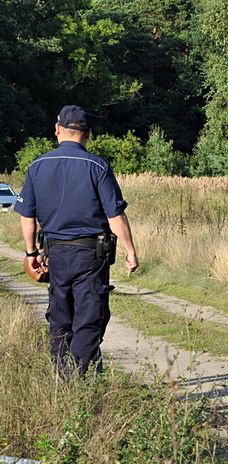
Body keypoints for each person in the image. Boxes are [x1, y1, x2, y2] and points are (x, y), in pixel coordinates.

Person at [14, 105, 138, 376]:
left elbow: (27, 216)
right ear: (88, 134)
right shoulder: (97, 166)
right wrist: (130, 250)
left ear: (57, 129)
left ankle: (62, 378)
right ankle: (82, 379)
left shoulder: (37, 166)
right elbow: (114, 214)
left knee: (60, 316)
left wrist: (31, 252)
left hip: (54, 254)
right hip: (90, 254)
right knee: (89, 316)